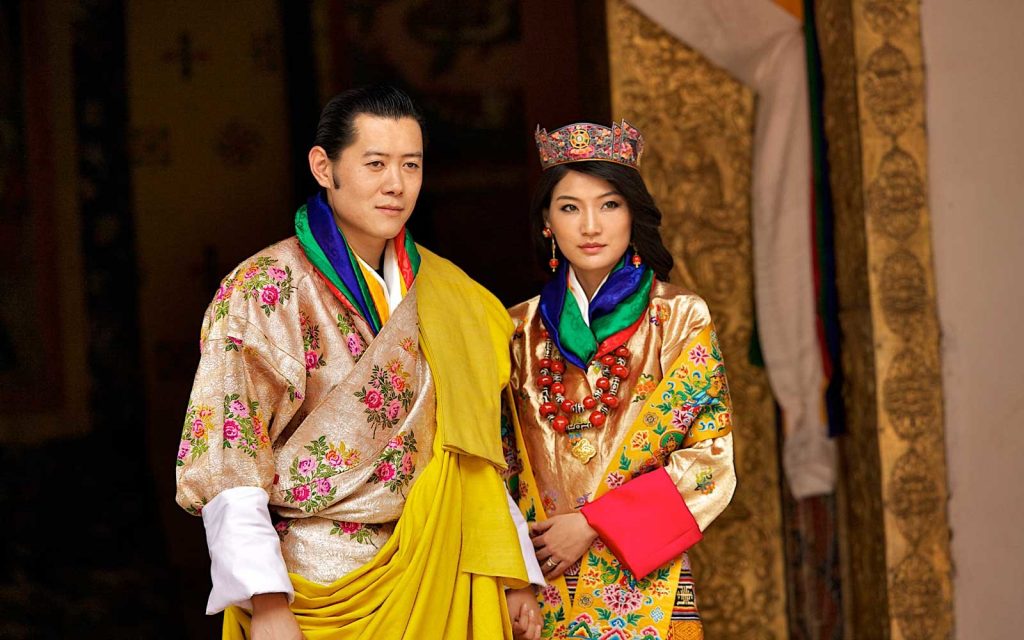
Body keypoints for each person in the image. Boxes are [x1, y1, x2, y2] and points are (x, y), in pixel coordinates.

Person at [175, 85, 543, 640]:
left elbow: (477, 450)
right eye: (375, 164)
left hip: (441, 564)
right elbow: (229, 455)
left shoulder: (453, 296)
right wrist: (267, 599)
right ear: (324, 167)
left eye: (411, 166)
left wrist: (511, 570)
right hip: (314, 582)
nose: (396, 185)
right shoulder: (263, 288)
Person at [501, 121, 737, 639]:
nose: (590, 225)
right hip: (543, 584)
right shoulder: (515, 329)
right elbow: (500, 466)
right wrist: (514, 579)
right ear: (547, 222)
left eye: (609, 205)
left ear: (632, 213)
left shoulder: (679, 318)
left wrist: (591, 523)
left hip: (649, 583)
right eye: (569, 207)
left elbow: (709, 460)